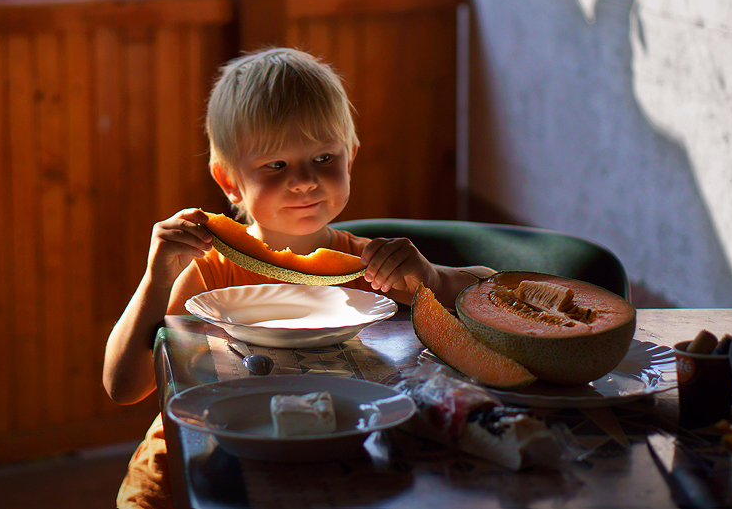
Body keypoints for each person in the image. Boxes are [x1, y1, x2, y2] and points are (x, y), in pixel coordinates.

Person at [103, 47, 492, 508]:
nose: (305, 181)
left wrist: (432, 276)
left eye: (324, 157)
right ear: (228, 181)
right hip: (192, 478)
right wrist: (156, 278)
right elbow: (124, 386)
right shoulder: (211, 271)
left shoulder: (370, 266)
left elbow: (488, 290)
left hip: (327, 469)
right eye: (276, 165)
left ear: (351, 156)